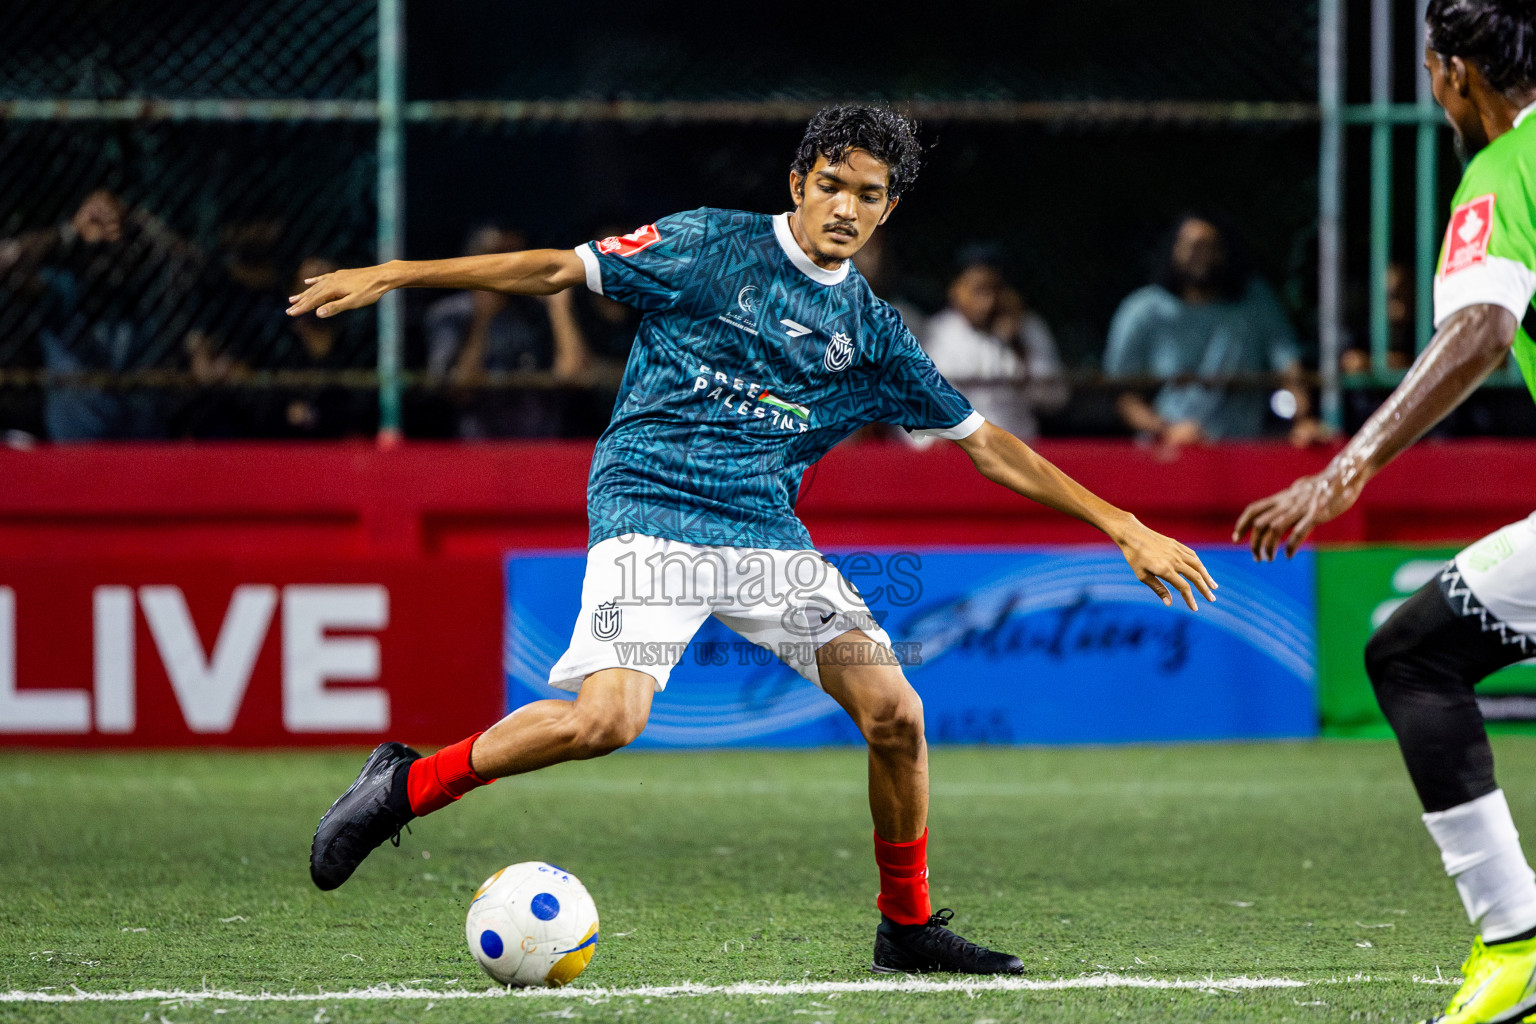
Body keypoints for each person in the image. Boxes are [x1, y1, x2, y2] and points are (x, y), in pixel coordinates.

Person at [289, 104, 1217, 976]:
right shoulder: (706, 244)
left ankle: (907, 928)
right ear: (798, 181)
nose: (846, 208)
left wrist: (1122, 524)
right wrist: (398, 274)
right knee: (606, 721)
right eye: (832, 184)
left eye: (869, 194)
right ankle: (409, 786)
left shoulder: (872, 334)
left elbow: (989, 447)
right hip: (650, 504)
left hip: (762, 534)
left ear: (890, 207)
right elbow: (556, 271)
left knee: (897, 714)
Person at [1235, 4, 1536, 1020]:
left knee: (1413, 655)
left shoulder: (1502, 176)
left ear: (1455, 75)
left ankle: (1519, 945)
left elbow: (1485, 327)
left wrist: (1344, 469)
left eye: (1429, 71)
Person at [1104, 213, 1319, 456]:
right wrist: (1168, 430)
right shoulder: (1142, 310)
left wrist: (1303, 419)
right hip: (1167, 455)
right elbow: (1123, 394)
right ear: (1173, 249)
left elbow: (1289, 368)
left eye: (1211, 247)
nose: (1202, 255)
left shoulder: (1255, 302)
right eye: (1193, 246)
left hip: (1243, 454)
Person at [0, 189, 199, 441]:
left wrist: (131, 218)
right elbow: (5, 267)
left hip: (146, 454)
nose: (107, 262)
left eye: (117, 250)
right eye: (98, 250)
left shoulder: (152, 296)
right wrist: (68, 232)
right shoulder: (62, 291)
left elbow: (191, 258)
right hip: (75, 456)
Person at [425, 225, 591, 438]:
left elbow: (573, 376)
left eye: (513, 256)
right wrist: (481, 319)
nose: (505, 266)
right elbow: (460, 390)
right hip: (477, 451)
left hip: (542, 448)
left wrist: (559, 308)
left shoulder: (538, 311)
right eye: (493, 256)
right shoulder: (451, 314)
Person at [920, 252, 1067, 442]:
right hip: (959, 452)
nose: (988, 302)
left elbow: (1055, 399)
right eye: (978, 290)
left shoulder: (1027, 328)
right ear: (955, 290)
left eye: (994, 290)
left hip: (1019, 447)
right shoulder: (936, 334)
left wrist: (1017, 345)